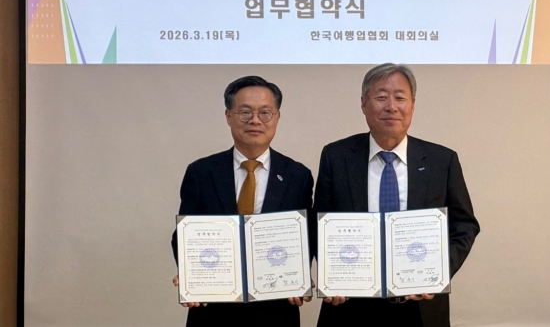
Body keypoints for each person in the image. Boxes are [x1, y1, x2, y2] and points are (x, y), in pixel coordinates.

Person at [313, 63, 480, 327]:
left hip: (420, 309)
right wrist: (329, 273)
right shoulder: (336, 157)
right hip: (351, 308)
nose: (391, 106)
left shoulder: (441, 160)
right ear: (363, 103)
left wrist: (439, 271)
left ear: (412, 105)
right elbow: (319, 224)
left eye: (400, 98)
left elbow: (464, 225)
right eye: (381, 97)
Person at [171, 75, 314, 327]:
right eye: (245, 112)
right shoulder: (201, 172)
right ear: (229, 116)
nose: (255, 120)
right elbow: (184, 234)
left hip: (276, 309)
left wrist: (300, 275)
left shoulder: (297, 175)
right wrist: (190, 273)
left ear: (277, 117)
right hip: (213, 308)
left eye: (265, 113)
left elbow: (306, 234)